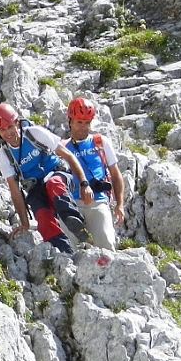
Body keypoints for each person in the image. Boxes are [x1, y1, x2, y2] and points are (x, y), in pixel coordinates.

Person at [0, 103, 93, 255]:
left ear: (17, 123)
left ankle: (76, 224)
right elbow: (15, 191)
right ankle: (66, 254)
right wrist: (24, 223)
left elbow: (68, 155)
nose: (8, 133)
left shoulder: (35, 134)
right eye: (2, 130)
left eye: (10, 127)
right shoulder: (4, 155)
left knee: (54, 184)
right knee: (43, 219)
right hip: (36, 188)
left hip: (58, 175)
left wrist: (84, 184)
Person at [61, 97, 125, 250]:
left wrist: (120, 205)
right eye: (79, 122)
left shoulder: (100, 142)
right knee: (66, 248)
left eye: (87, 123)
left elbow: (115, 174)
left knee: (107, 244)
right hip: (71, 203)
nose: (83, 127)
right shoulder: (62, 147)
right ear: (70, 121)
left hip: (98, 202)